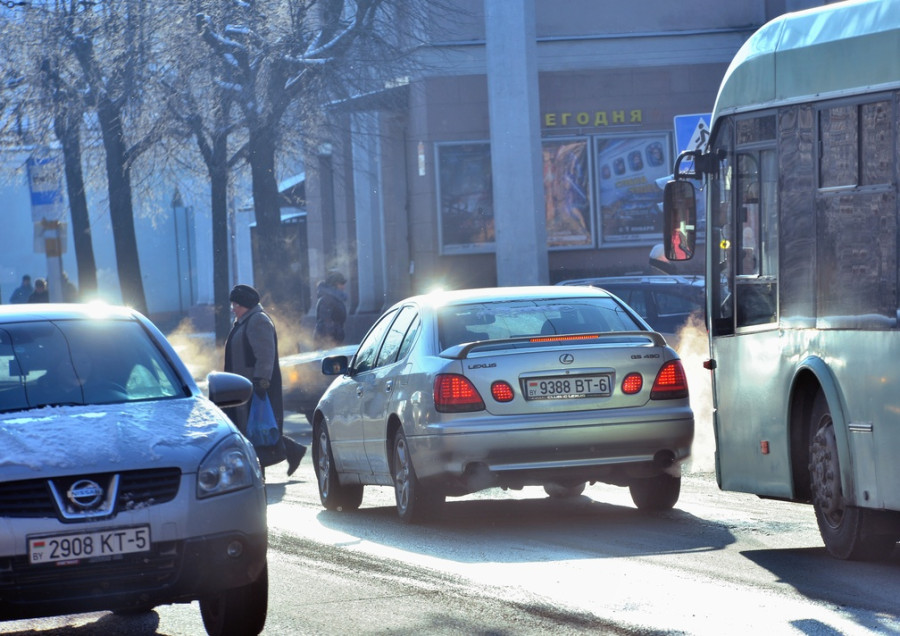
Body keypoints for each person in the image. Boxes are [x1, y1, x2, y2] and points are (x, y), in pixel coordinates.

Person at [224, 284, 306, 476]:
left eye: (236, 304)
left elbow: (265, 355)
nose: (233, 308)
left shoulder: (257, 321)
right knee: (254, 428)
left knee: (256, 428)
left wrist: (260, 382)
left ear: (246, 304)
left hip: (254, 386)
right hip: (243, 386)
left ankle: (257, 471)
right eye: (232, 305)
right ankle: (291, 451)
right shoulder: (244, 321)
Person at [313, 271, 348, 348]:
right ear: (334, 285)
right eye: (341, 283)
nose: (343, 287)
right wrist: (330, 343)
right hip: (328, 344)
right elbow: (326, 324)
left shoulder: (335, 299)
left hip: (334, 341)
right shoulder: (327, 300)